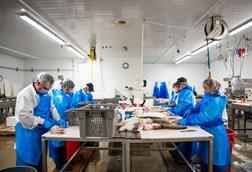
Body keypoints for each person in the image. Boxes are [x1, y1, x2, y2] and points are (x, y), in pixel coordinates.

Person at [15, 73, 63, 172]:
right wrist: (42, 121)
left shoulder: (47, 93)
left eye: (48, 88)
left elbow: (51, 108)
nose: (47, 90)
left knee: (40, 158)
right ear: (37, 83)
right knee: (29, 159)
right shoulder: (25, 94)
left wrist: (58, 118)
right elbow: (24, 116)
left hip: (41, 132)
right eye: (45, 88)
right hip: (28, 133)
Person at [180, 78, 230, 172]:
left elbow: (205, 117)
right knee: (206, 157)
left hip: (216, 133)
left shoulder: (217, 100)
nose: (204, 90)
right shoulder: (209, 96)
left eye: (205, 88)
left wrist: (188, 119)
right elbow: (201, 105)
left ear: (211, 89)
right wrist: (193, 108)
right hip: (207, 130)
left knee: (215, 158)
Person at [49, 80, 75, 170]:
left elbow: (69, 107)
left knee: (63, 144)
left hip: (64, 123)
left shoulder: (66, 96)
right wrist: (59, 120)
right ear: (64, 87)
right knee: (57, 144)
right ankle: (59, 165)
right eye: (68, 89)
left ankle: (64, 163)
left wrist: (73, 110)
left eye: (71, 89)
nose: (69, 90)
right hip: (57, 123)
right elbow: (54, 111)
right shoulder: (56, 96)